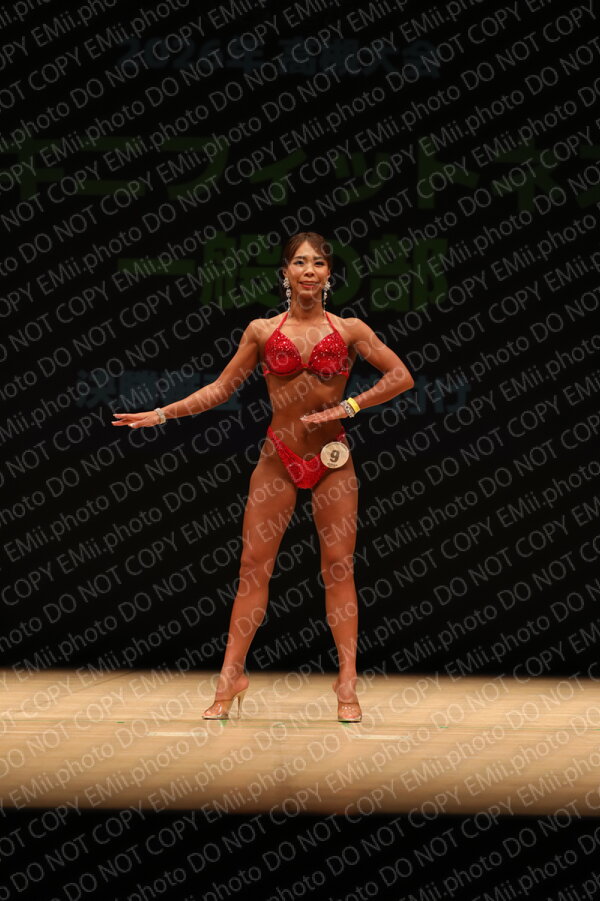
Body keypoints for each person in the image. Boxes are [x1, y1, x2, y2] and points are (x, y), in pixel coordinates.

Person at [112, 232, 414, 722]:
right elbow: (220, 389)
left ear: (329, 275)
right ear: (285, 273)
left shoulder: (350, 329)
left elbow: (400, 376)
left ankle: (347, 682)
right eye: (300, 262)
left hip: (332, 458)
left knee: (339, 568)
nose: (309, 270)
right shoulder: (261, 331)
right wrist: (163, 414)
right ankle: (230, 677)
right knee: (253, 568)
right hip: (279, 458)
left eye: (318, 263)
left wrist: (350, 406)